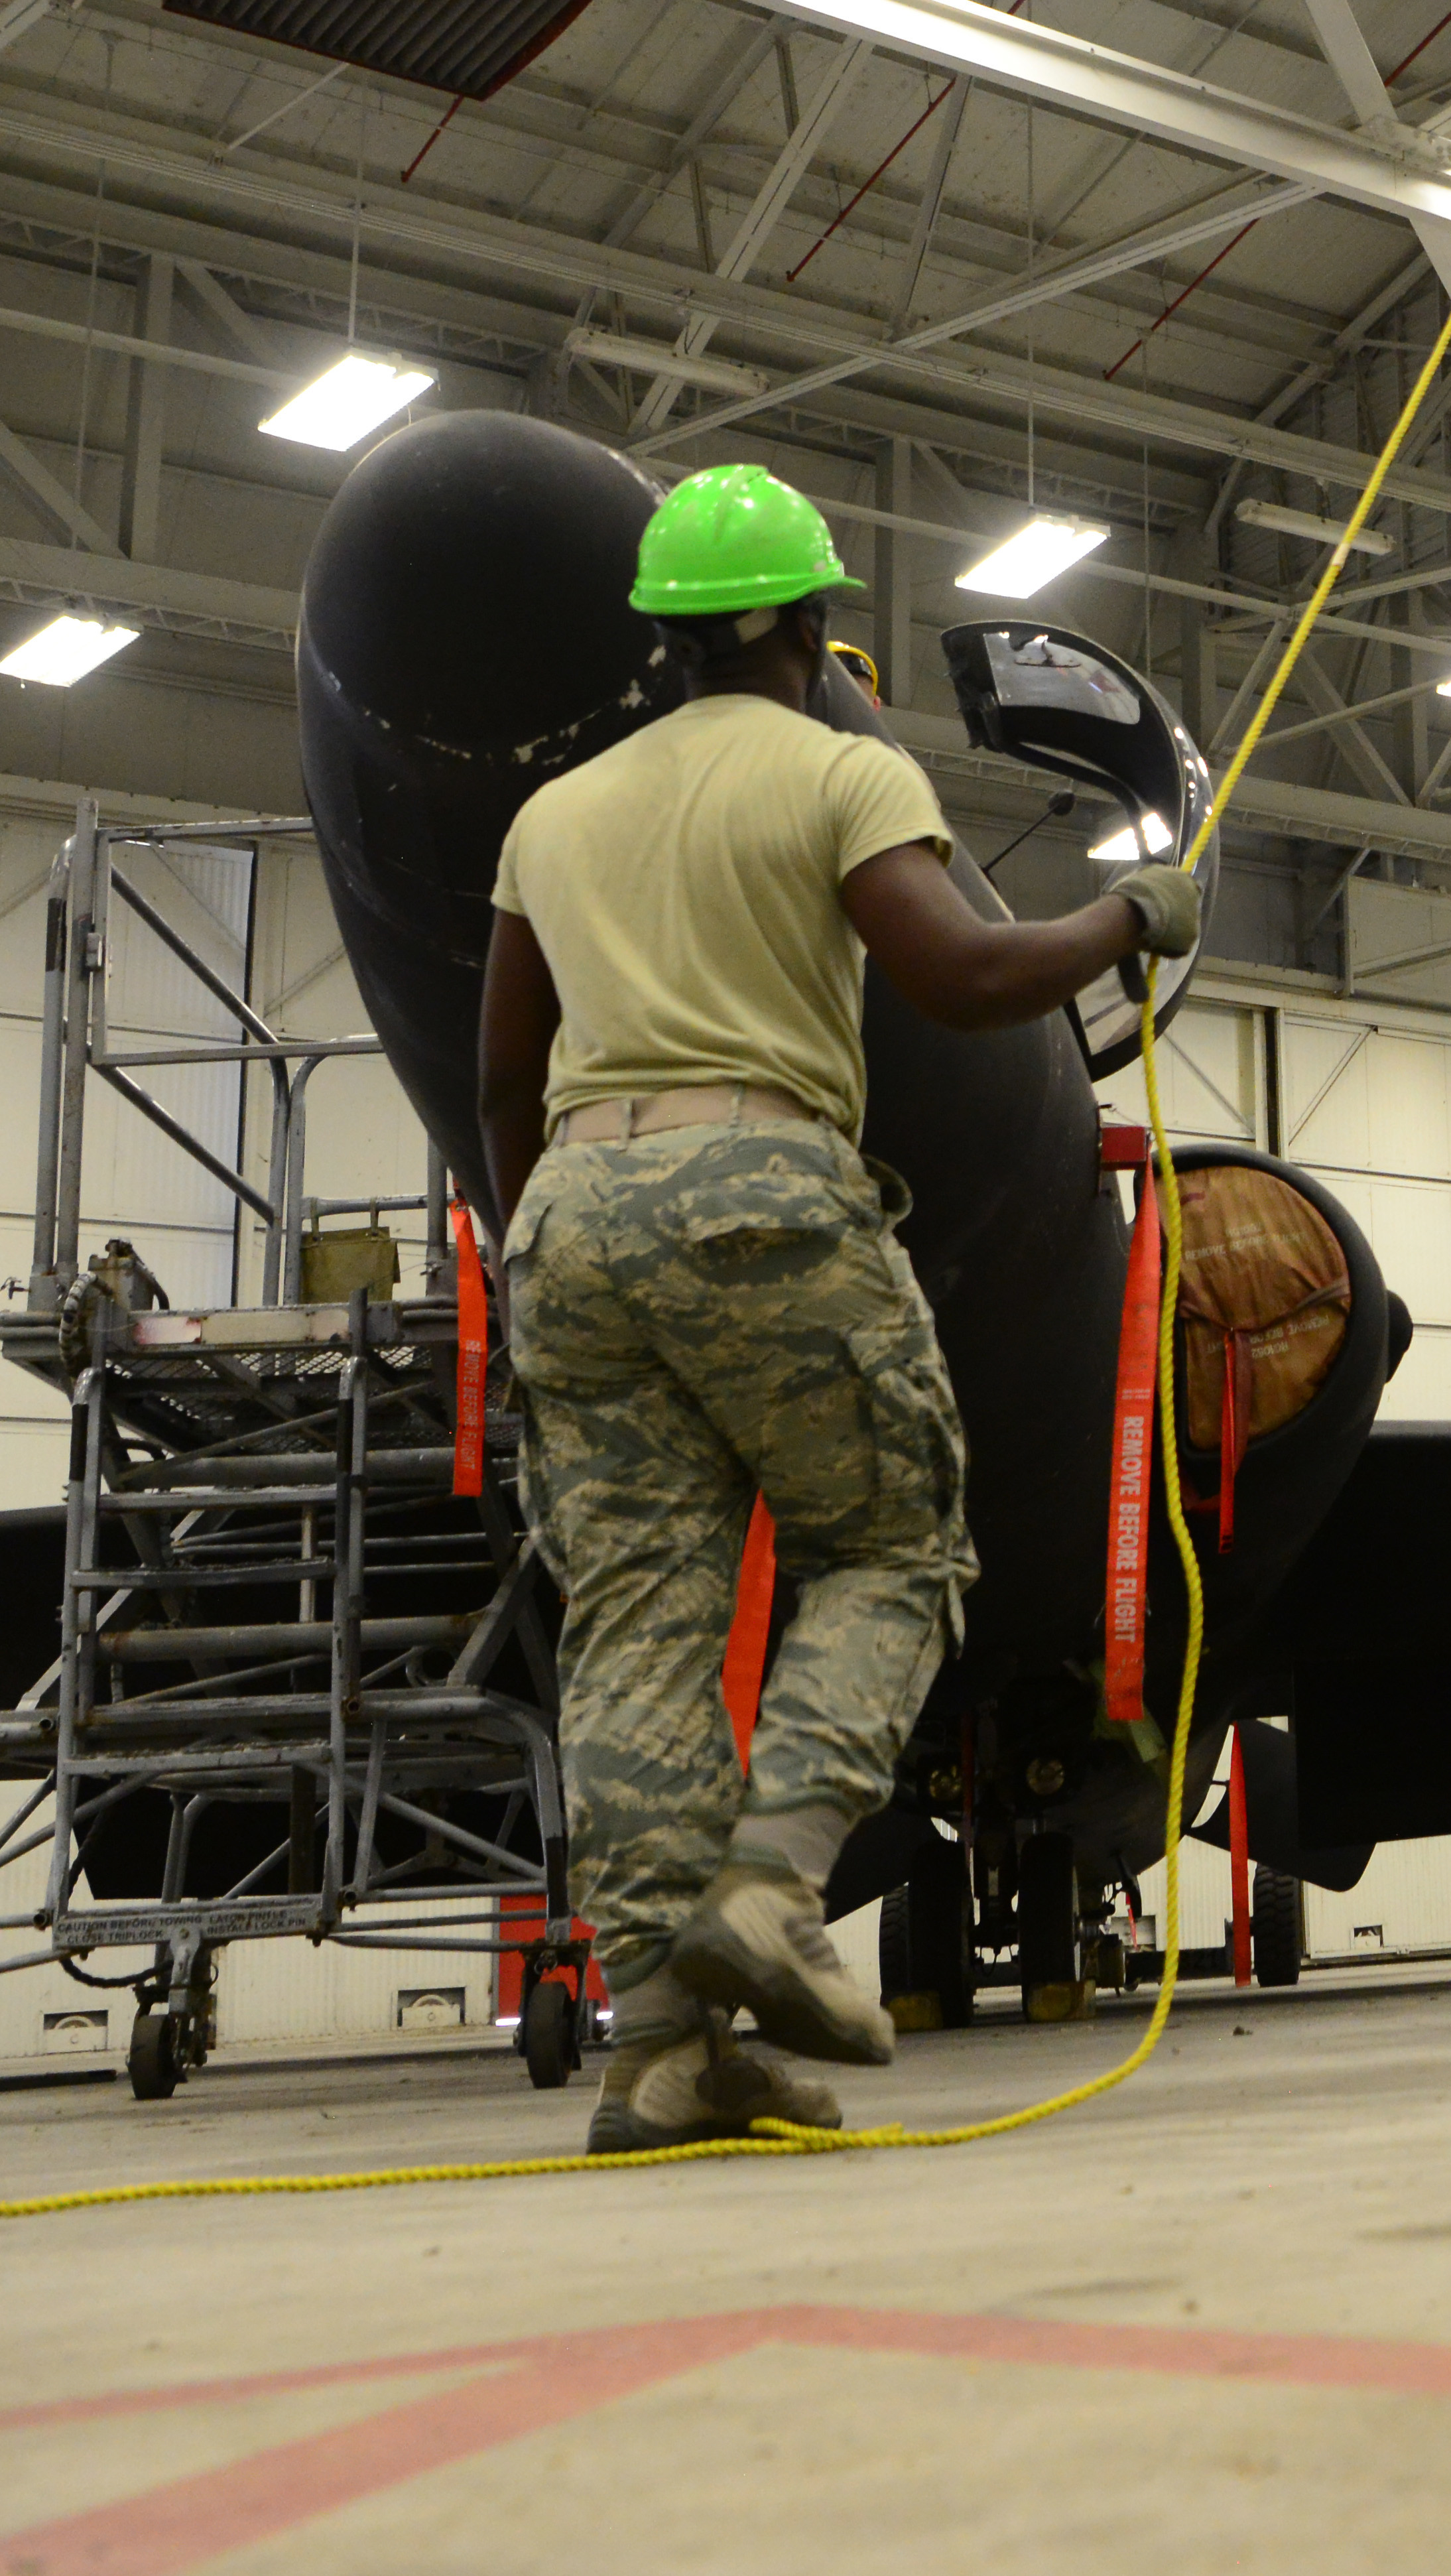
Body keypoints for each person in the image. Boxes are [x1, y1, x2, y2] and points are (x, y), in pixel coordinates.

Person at [479, 463, 1198, 2148]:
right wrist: (1124, 915)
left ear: (659, 636)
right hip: (760, 1184)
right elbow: (957, 976)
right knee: (889, 1543)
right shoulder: (840, 770)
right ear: (811, 625)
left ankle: (664, 2055)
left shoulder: (553, 814)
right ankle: (775, 1885)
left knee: (639, 1624)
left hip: (570, 1214)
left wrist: (544, 1251)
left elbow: (499, 1071)